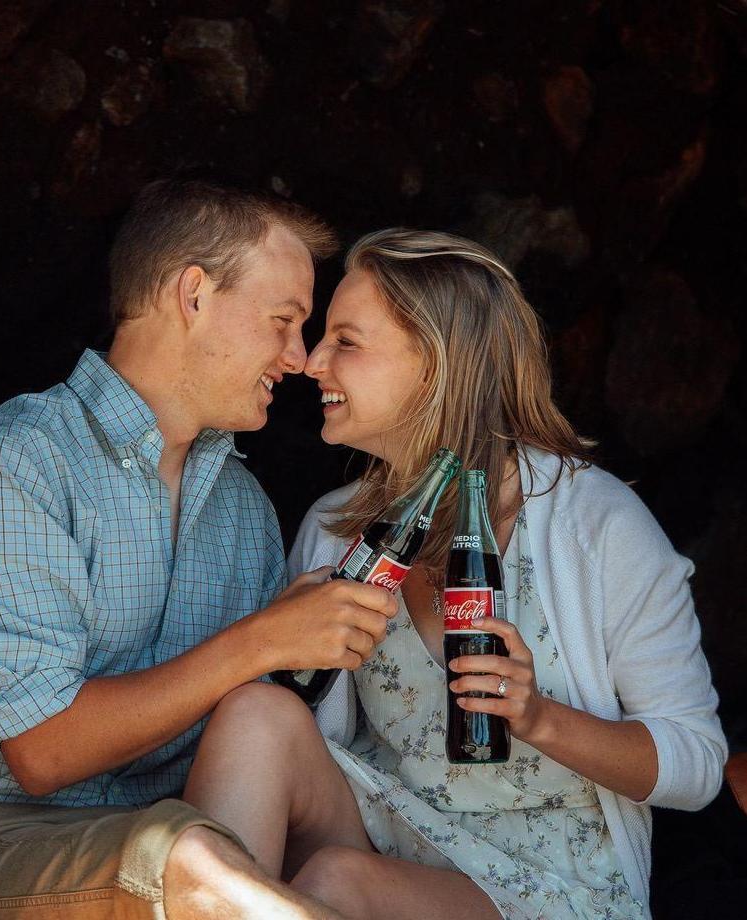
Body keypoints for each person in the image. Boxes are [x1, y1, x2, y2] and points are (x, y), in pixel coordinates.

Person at [0, 180, 401, 920]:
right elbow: (45, 752)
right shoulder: (10, 464)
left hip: (184, 840)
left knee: (303, 861)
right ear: (193, 295)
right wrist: (262, 640)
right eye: (283, 321)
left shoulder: (243, 509)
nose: (298, 357)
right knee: (189, 863)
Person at [182, 228, 728, 919]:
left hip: (545, 885)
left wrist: (536, 717)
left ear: (438, 365)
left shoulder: (595, 525)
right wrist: (279, 645)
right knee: (255, 715)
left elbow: (697, 765)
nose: (311, 361)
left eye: (345, 342)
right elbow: (304, 730)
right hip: (386, 837)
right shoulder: (333, 529)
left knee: (331, 887)